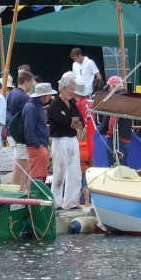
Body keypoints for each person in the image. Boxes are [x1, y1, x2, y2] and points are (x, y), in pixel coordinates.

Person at [48, 74, 84, 209]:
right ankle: (56, 203)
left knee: (75, 173)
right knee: (59, 172)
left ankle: (71, 202)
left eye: (73, 89)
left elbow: (81, 123)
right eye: (71, 89)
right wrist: (71, 121)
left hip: (72, 139)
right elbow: (64, 121)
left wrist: (70, 122)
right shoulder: (54, 105)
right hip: (60, 140)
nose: (73, 92)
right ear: (63, 89)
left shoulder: (73, 103)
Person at [22, 81, 54, 186]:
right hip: (36, 146)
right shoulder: (32, 107)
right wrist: (39, 146)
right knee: (36, 176)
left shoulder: (35, 105)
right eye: (49, 95)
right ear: (44, 96)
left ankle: (31, 195)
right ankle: (31, 195)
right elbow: (29, 131)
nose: (50, 97)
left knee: (38, 175)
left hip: (39, 145)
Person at [6, 69, 35, 186]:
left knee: (24, 166)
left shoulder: (10, 94)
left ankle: (21, 190)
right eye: (31, 83)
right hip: (20, 135)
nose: (31, 86)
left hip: (10, 132)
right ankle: (16, 192)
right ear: (26, 82)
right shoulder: (24, 98)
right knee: (20, 167)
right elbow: (27, 118)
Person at [100, 75, 135, 166]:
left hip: (116, 138)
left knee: (115, 166)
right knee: (124, 164)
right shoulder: (127, 97)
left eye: (109, 87)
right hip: (126, 136)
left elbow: (113, 119)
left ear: (113, 86)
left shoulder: (117, 98)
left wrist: (109, 133)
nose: (108, 89)